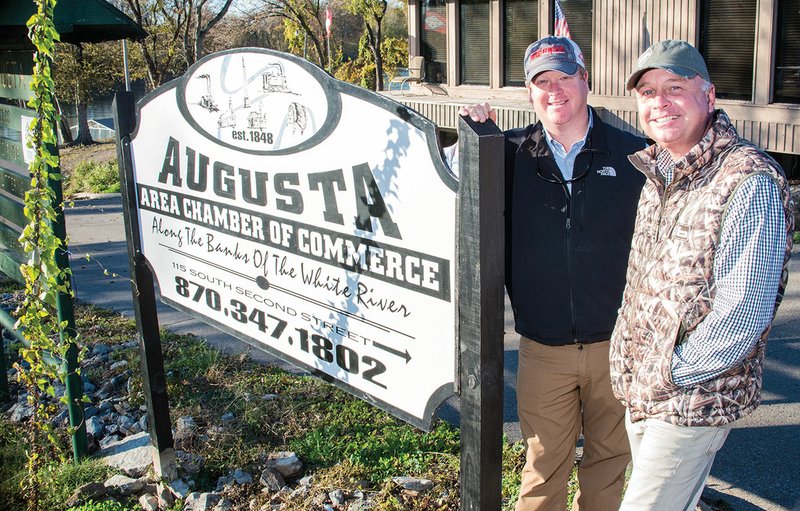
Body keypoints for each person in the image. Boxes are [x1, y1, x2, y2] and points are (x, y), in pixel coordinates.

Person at [457, 36, 645, 510]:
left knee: (608, 464)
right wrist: (472, 139)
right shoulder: (506, 154)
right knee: (543, 470)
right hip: (544, 350)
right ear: (529, 92)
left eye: (565, 76)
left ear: (585, 80)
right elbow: (452, 201)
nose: (555, 90)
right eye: (543, 81)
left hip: (620, 346)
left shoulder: (636, 155)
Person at [610, 39, 794, 510]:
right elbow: (643, 284)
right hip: (645, 388)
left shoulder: (747, 180)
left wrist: (666, 372)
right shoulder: (661, 172)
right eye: (648, 91)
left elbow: (742, 314)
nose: (660, 102)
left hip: (692, 399)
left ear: (709, 97)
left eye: (675, 87)